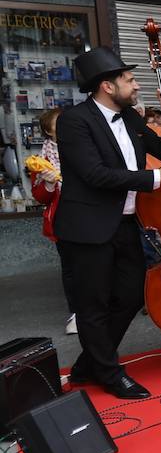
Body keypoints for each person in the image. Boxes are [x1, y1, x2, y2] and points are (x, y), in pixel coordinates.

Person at [57, 47, 161, 399]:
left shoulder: (130, 115)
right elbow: (95, 174)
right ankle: (109, 372)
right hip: (87, 227)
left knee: (132, 295)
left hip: (126, 223)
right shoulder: (75, 121)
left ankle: (90, 364)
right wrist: (156, 179)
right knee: (93, 304)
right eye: (129, 80)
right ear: (107, 86)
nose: (136, 86)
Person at [28, 108, 77, 335]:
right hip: (63, 218)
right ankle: (76, 313)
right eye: (60, 123)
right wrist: (48, 184)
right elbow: (39, 196)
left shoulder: (82, 147)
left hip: (93, 214)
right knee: (71, 268)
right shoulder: (42, 159)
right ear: (49, 130)